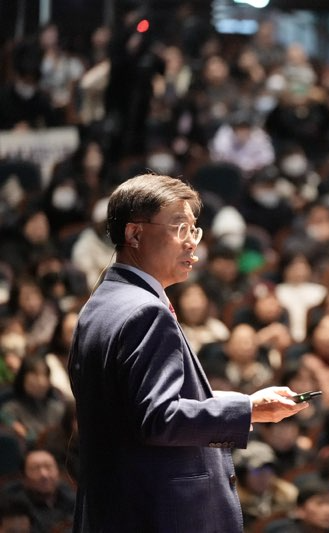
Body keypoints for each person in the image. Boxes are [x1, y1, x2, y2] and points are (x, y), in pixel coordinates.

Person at [67, 174, 307, 533]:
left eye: (194, 229)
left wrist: (245, 402)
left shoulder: (101, 301)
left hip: (117, 508)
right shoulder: (145, 311)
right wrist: (248, 411)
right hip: (159, 515)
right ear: (135, 234)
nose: (192, 242)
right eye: (180, 228)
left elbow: (132, 408)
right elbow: (159, 417)